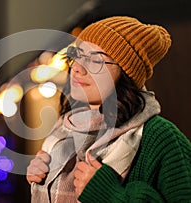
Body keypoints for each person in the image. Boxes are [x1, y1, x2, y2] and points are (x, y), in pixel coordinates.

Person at [26, 16, 191, 202]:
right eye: (77, 55)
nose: (78, 69)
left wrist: (113, 195)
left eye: (96, 61)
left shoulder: (161, 137)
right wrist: (42, 177)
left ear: (126, 74)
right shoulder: (65, 128)